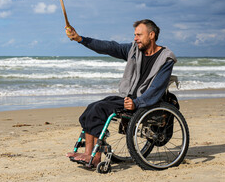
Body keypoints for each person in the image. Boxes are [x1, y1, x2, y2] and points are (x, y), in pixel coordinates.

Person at [64, 19, 177, 167]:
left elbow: (157, 88)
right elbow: (109, 47)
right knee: (92, 107)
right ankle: (88, 152)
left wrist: (137, 102)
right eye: (135, 35)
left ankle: (96, 157)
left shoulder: (166, 58)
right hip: (129, 98)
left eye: (139, 35)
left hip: (147, 102)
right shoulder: (134, 50)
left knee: (99, 109)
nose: (135, 38)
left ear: (151, 35)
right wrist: (81, 39)